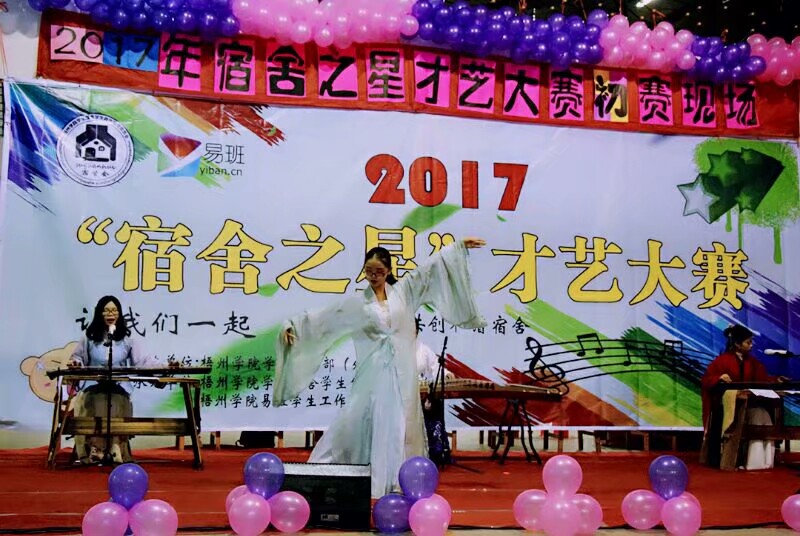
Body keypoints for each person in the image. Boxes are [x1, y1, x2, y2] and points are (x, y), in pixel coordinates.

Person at [275, 238, 487, 497]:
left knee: (398, 424)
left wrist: (458, 247)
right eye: (369, 271)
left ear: (388, 271)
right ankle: (349, 473)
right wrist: (293, 326)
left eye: (379, 272)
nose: (373, 276)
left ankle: (395, 480)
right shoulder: (358, 303)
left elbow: (430, 269)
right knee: (362, 419)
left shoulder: (404, 292)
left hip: (401, 373)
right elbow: (326, 317)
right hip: (373, 373)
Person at [68, 295, 158, 464]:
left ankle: (116, 448)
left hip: (118, 388)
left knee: (116, 400)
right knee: (95, 400)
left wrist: (164, 366)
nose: (111, 314)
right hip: (92, 388)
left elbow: (143, 361)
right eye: (107, 310)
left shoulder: (127, 338)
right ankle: (94, 449)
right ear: (99, 313)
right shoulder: (89, 337)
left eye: (115, 310)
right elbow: (77, 357)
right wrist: (76, 363)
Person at [701, 324, 787, 470]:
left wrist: (776, 380)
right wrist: (719, 377)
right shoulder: (722, 361)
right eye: (748, 342)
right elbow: (706, 380)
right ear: (737, 344)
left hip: (748, 404)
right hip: (727, 406)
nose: (751, 345)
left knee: (763, 414)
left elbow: (762, 379)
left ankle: (757, 459)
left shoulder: (752, 362)